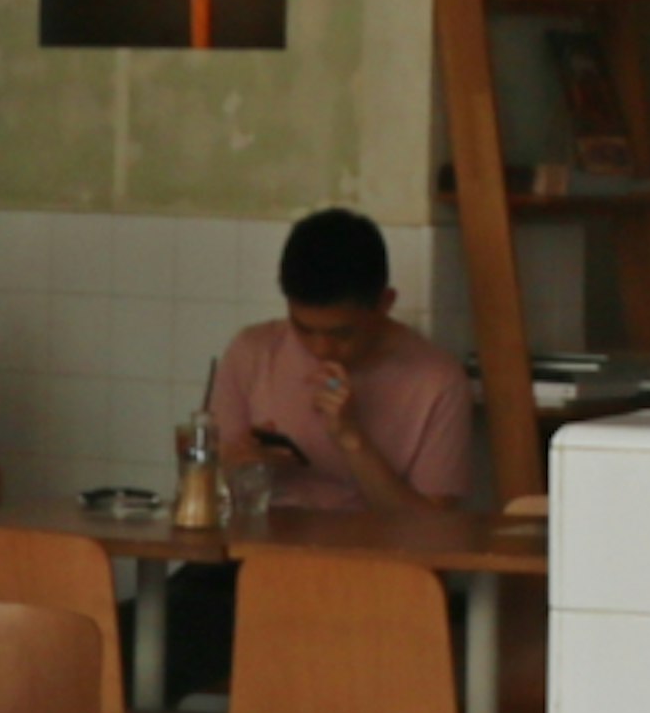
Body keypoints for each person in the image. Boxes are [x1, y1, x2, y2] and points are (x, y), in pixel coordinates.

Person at [202, 205, 477, 510]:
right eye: (303, 329)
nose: (321, 349)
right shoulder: (252, 351)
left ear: (385, 303)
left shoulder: (438, 380)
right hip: (260, 549)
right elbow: (207, 487)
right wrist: (237, 466)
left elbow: (433, 531)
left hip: (375, 554)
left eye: (342, 334)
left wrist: (351, 439)